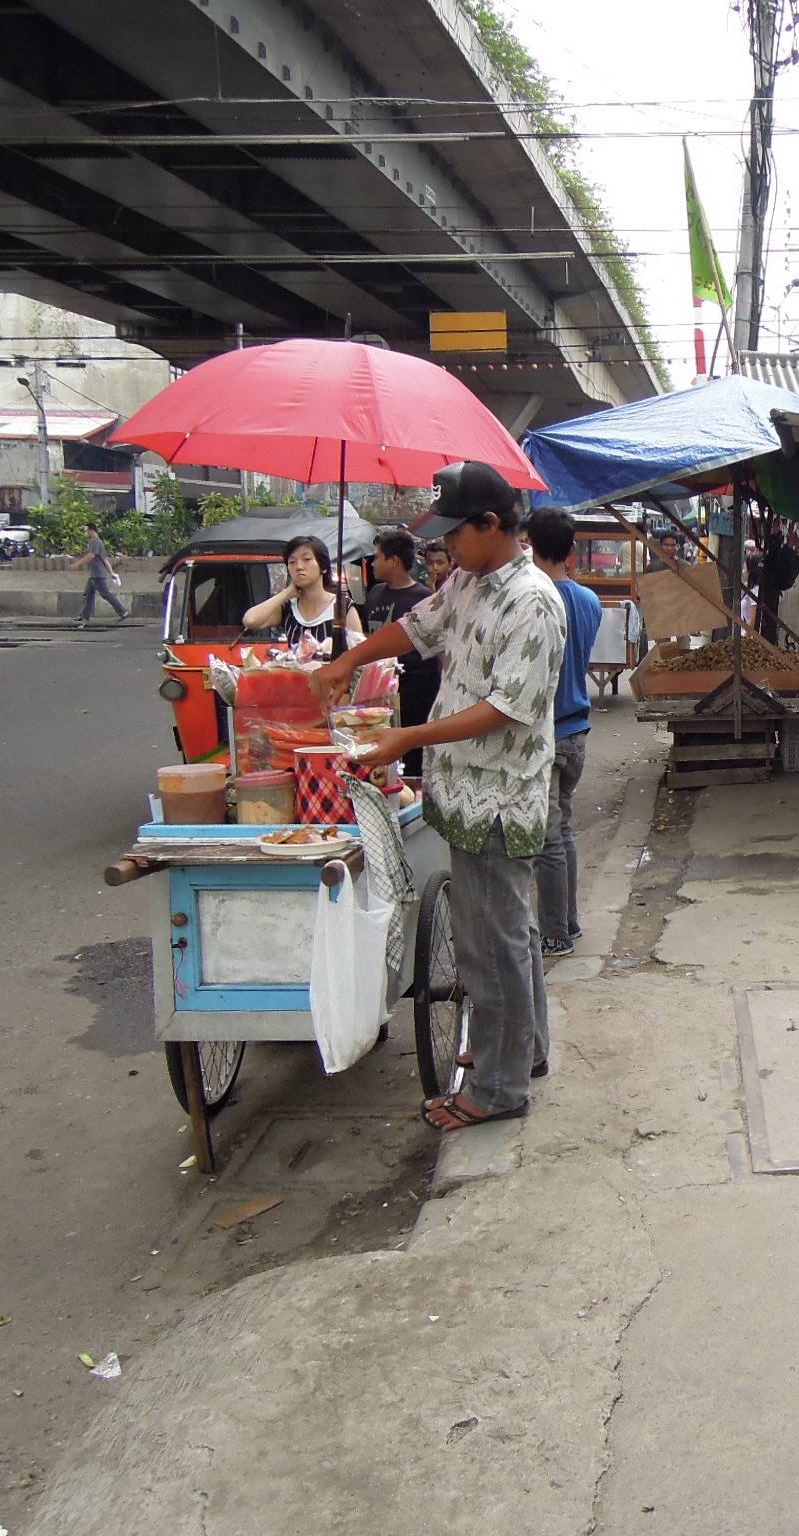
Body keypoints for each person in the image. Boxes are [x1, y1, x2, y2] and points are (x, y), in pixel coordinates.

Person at [308, 461, 563, 1133]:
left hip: (500, 800)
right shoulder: (469, 583)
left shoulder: (533, 601)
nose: (443, 548)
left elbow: (508, 708)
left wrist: (406, 737)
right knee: (509, 932)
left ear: (490, 524)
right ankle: (522, 1049)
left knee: (493, 943)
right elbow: (417, 628)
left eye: (455, 533)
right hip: (464, 792)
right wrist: (347, 661)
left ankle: (500, 1087)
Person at [525, 508, 602, 961]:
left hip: (547, 733)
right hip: (577, 731)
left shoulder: (533, 599)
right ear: (572, 550)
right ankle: (567, 920)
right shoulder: (589, 602)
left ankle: (555, 932)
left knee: (548, 838)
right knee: (563, 830)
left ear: (530, 544)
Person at [361, 526, 440, 779]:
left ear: (393, 561)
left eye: (377, 557)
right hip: (380, 692)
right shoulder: (374, 594)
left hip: (417, 690)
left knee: (413, 751)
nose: (373, 564)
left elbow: (438, 648)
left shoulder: (424, 598)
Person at [243, 534, 363, 658]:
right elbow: (251, 620)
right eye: (292, 562)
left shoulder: (343, 606)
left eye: (307, 559)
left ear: (323, 567)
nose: (299, 567)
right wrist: (286, 593)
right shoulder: (289, 609)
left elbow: (360, 654)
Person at [70, 521, 128, 627]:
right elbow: (104, 560)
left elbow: (91, 556)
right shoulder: (97, 542)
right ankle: (84, 615)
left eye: (86, 531)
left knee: (106, 594)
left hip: (97, 575)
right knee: (88, 594)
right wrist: (111, 572)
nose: (85, 533)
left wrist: (77, 564)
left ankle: (122, 611)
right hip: (94, 574)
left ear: (92, 531)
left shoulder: (95, 542)